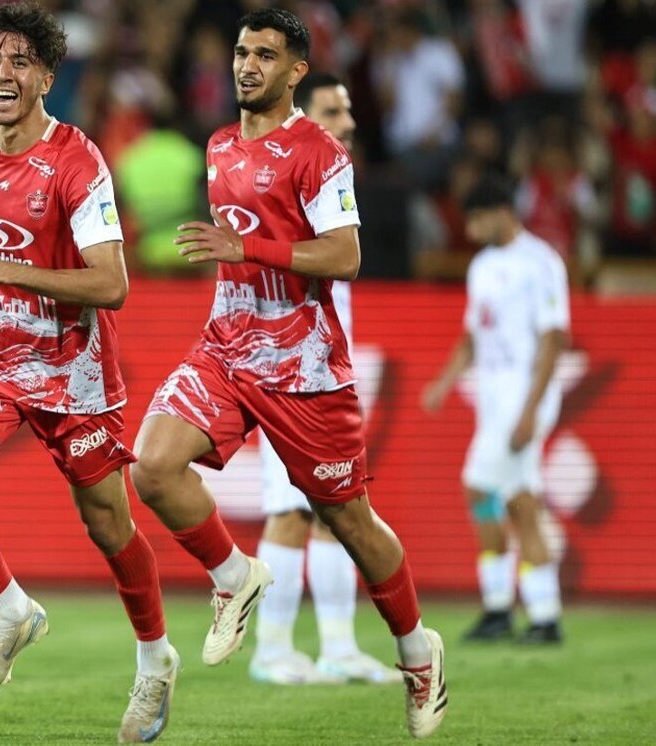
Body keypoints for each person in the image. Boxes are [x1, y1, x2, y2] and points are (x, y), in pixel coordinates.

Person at [129, 9, 447, 739]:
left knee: (348, 519)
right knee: (151, 466)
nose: (248, 65)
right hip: (226, 345)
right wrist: (235, 259)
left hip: (302, 365)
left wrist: (249, 249)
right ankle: (235, 576)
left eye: (266, 55)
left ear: (296, 70)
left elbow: (345, 256)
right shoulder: (218, 144)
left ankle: (416, 650)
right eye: (242, 52)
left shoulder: (319, 153)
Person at [0, 4, 178, 742]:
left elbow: (111, 283)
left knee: (107, 523)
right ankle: (12, 610)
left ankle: (155, 658)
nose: (3, 73)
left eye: (20, 62)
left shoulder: (78, 162)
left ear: (48, 77)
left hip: (68, 364)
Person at [248, 72, 402, 687]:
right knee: (290, 510)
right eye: (334, 111)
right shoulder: (281, 184)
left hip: (323, 373)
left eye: (348, 110)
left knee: (335, 508)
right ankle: (271, 649)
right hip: (281, 369)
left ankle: (338, 646)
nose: (349, 122)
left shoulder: (329, 186)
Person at [421, 173, 569, 645]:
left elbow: (554, 339)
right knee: (520, 500)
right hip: (494, 398)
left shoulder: (540, 262)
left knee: (479, 487)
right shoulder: (482, 266)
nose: (470, 229)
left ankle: (501, 605)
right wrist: (444, 383)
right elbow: (473, 334)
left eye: (477, 219)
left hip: (524, 397)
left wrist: (531, 410)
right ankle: (540, 613)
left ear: (502, 213)